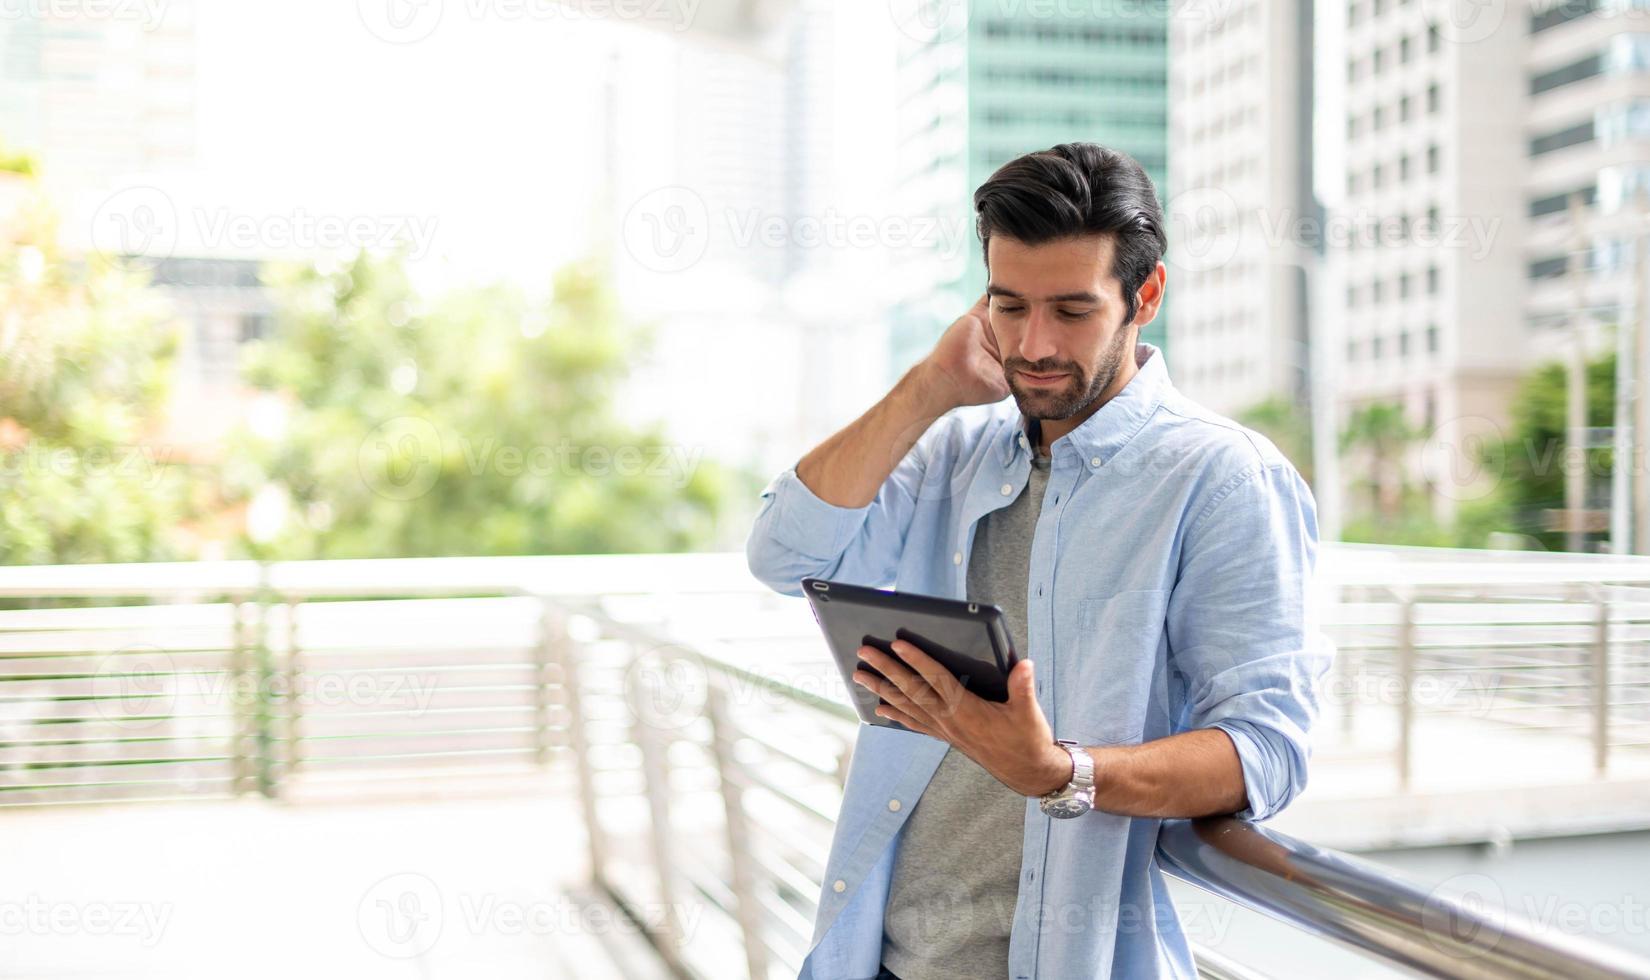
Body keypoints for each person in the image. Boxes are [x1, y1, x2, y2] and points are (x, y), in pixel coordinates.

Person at [745, 142, 1330, 979]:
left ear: (1147, 295)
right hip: (884, 958)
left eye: (1072, 310)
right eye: (1008, 306)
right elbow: (782, 553)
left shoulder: (1223, 479)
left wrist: (1061, 772)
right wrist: (929, 386)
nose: (1035, 343)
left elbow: (1266, 750)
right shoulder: (952, 452)